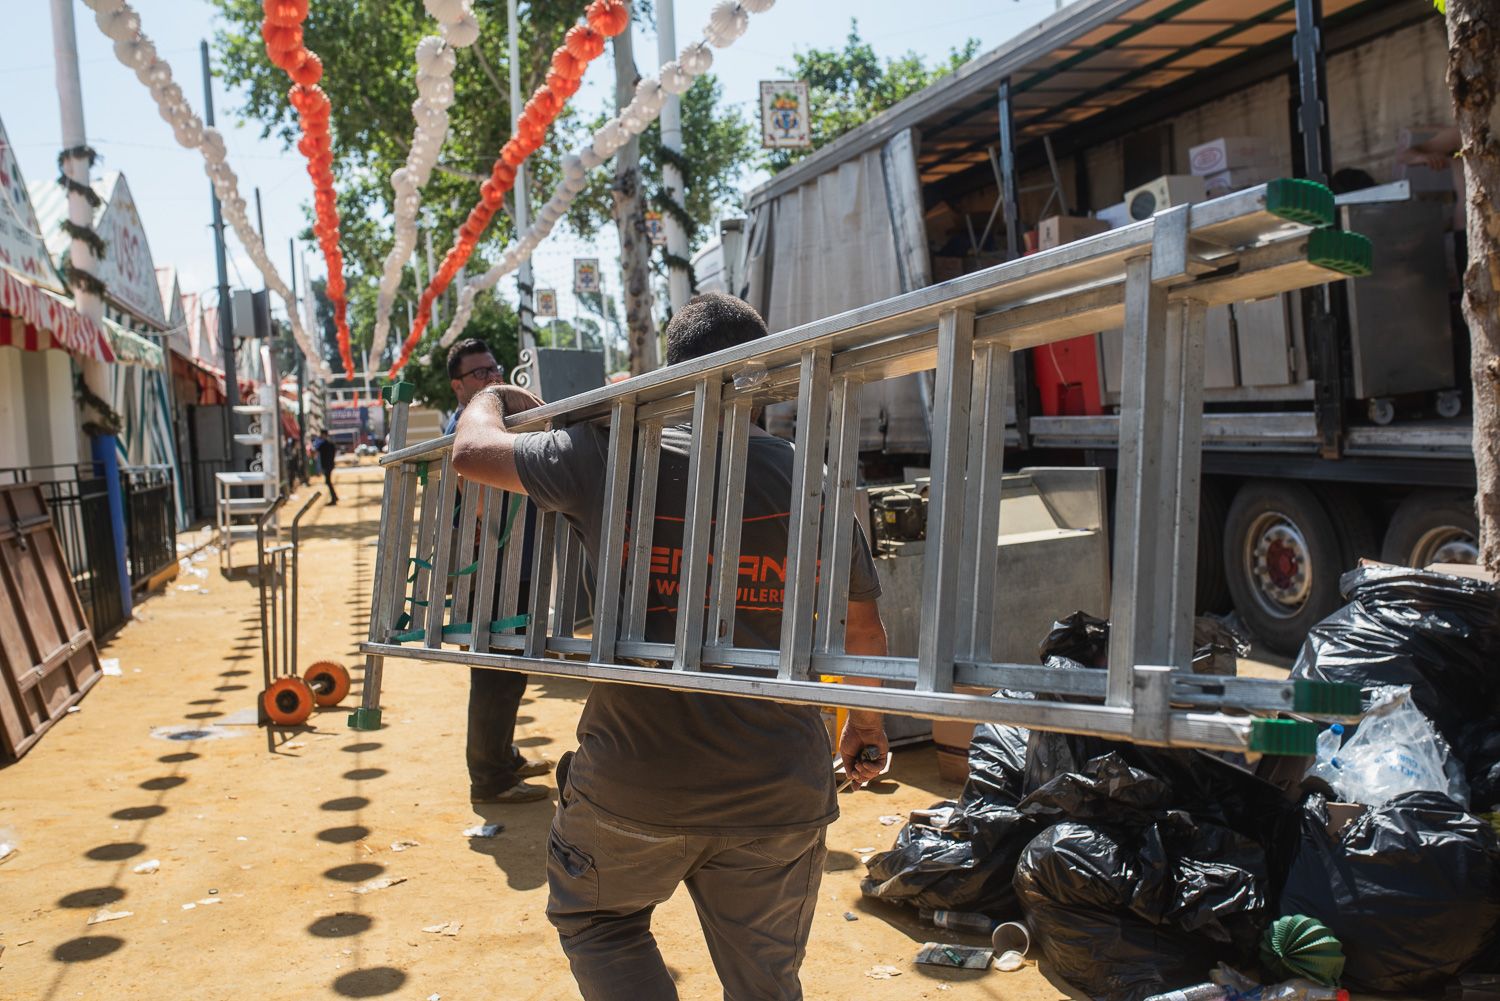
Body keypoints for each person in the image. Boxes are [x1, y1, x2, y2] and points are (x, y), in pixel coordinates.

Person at [452, 292, 890, 1001]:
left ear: (672, 372)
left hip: (635, 782)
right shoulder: (813, 480)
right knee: (766, 983)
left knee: (598, 919)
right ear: (767, 373)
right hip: (780, 789)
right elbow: (864, 634)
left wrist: (496, 392)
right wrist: (865, 726)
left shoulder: (614, 458)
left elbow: (471, 451)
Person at [447, 338, 551, 804]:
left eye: (494, 369)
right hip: (490, 569)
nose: (492, 378)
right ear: (457, 386)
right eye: (479, 374)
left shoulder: (500, 422)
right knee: (493, 671)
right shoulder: (465, 427)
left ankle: (502, 757)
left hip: (515, 566)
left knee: (511, 671)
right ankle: (489, 778)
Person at [314, 432, 338, 505]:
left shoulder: (323, 444)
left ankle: (334, 498)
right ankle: (334, 497)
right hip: (330, 465)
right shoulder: (331, 444)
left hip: (327, 466)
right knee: (328, 481)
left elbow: (316, 451)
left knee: (328, 482)